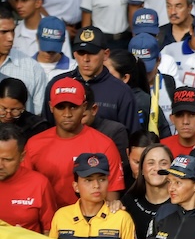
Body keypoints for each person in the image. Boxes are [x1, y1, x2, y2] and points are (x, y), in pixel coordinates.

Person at [23, 78, 124, 209]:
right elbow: (24, 189)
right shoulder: (34, 145)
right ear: (50, 107)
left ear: (83, 107)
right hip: (46, 225)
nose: (67, 114)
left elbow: (112, 201)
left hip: (90, 224)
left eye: (73, 106)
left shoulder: (104, 145)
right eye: (60, 107)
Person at [48, 152, 139, 239]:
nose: (96, 185)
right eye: (88, 180)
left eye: (102, 179)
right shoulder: (61, 216)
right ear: (76, 186)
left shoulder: (121, 218)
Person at [0, 123, 57, 233]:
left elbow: (49, 231)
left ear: (22, 157)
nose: (0, 165)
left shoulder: (39, 184)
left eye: (7, 160)